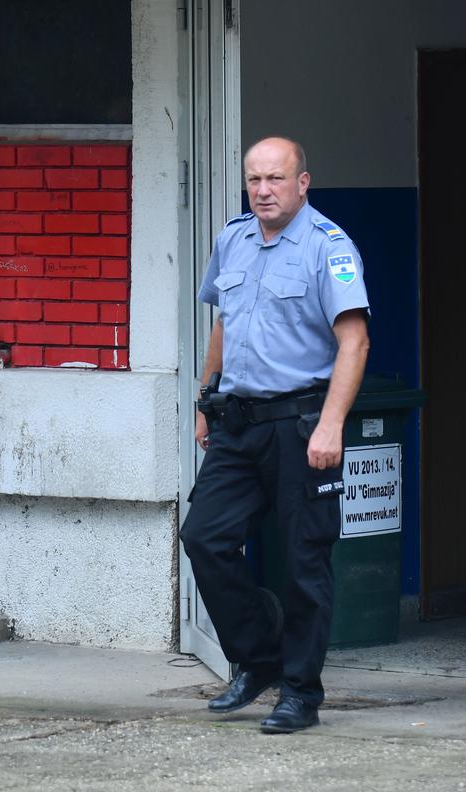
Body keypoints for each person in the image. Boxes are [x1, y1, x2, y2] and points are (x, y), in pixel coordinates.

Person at [181, 136, 370, 734]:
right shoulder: (232, 239)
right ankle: (258, 658)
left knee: (302, 562)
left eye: (276, 179)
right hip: (238, 422)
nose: (263, 190)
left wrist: (333, 424)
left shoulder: (328, 248)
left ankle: (300, 692)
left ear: (303, 182)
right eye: (254, 180)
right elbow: (224, 325)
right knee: (204, 538)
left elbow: (354, 342)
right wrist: (207, 400)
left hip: (301, 424)